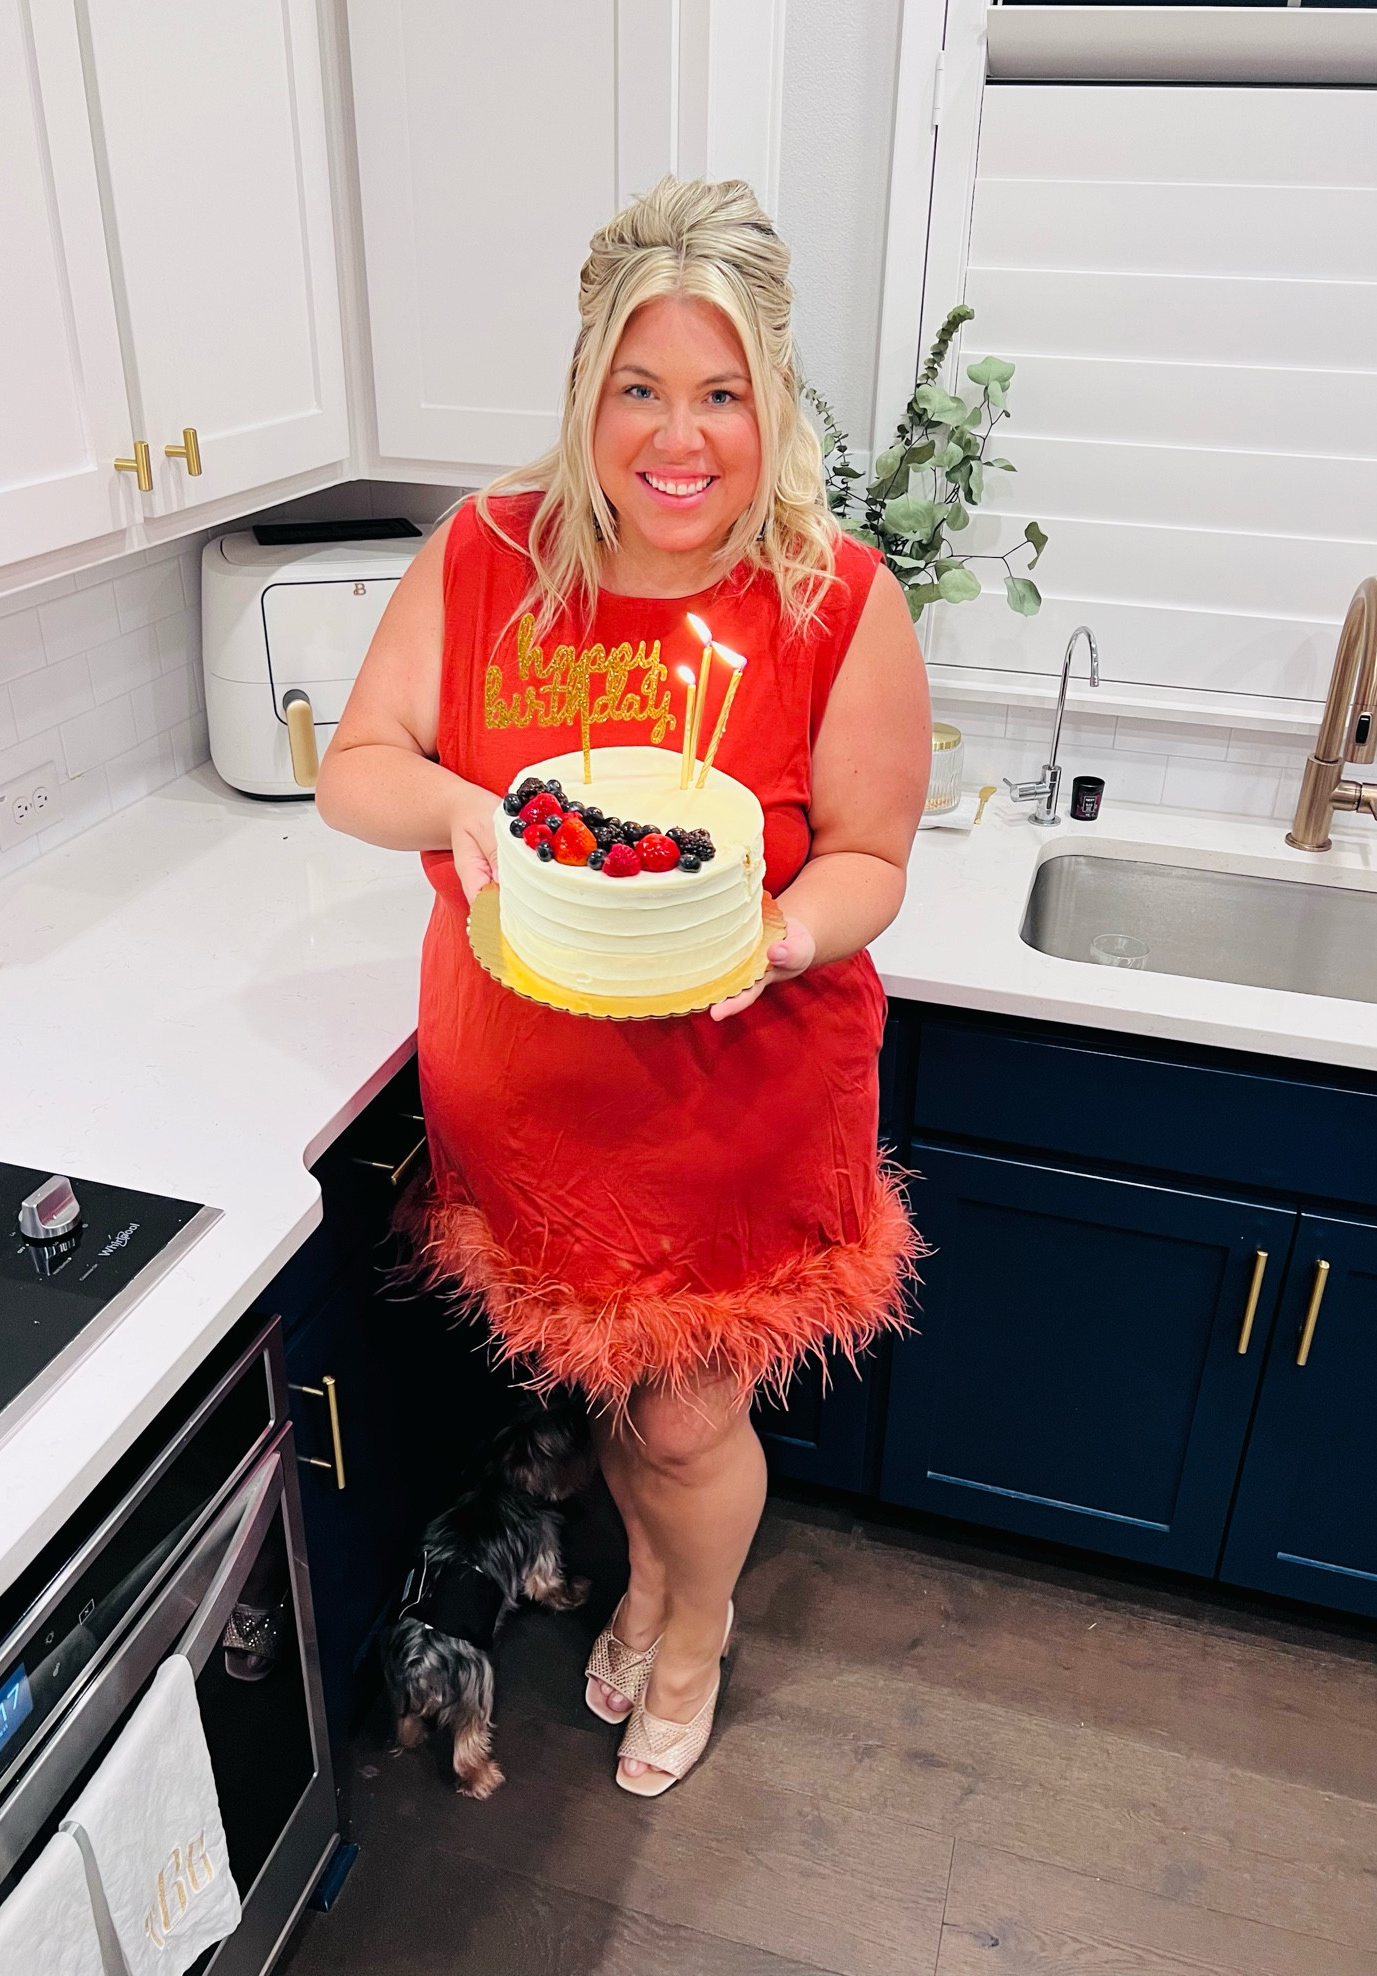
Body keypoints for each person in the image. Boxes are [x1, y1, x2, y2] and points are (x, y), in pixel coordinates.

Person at [318, 176, 930, 1795]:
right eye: (641, 389)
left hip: (743, 1103)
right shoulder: (489, 553)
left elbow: (869, 858)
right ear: (589, 390)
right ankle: (650, 1579)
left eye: (720, 393)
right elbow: (358, 765)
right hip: (533, 1108)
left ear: (771, 401)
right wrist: (458, 808)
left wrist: (786, 932)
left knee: (681, 1423)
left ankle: (696, 1618)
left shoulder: (838, 601)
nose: (681, 435)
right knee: (609, 1387)